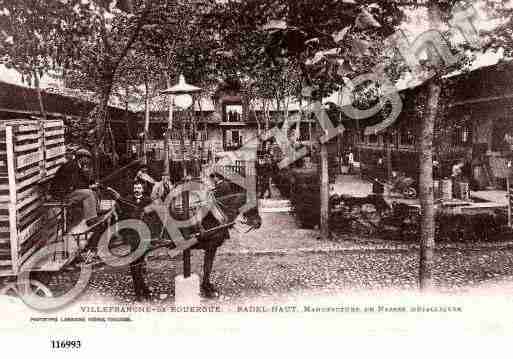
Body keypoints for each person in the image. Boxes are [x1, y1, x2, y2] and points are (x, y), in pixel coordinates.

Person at [50, 148, 99, 227]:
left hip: (67, 191)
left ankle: (93, 216)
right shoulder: (71, 166)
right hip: (61, 195)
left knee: (92, 192)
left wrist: (92, 183)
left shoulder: (77, 165)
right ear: (82, 158)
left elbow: (82, 180)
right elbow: (74, 184)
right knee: (88, 193)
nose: (88, 161)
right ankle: (90, 220)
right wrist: (89, 186)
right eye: (87, 158)